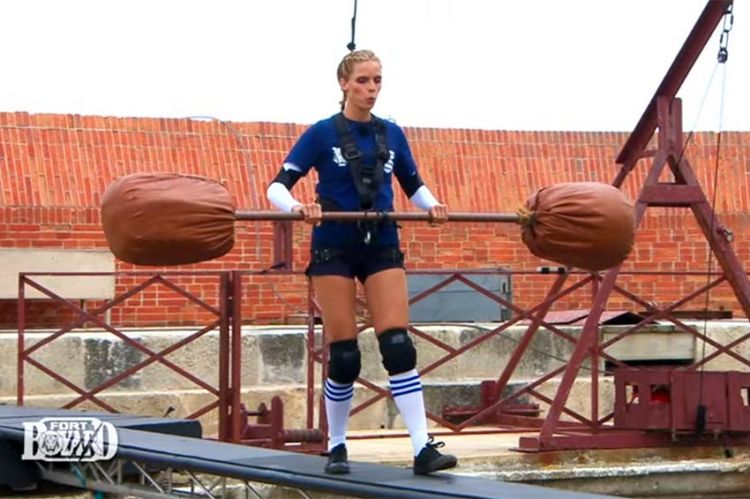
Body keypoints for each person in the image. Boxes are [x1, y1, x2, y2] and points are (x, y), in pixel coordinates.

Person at [266, 49, 457, 476]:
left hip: (381, 239)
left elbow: (413, 184)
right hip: (333, 241)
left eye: (377, 81)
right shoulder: (320, 133)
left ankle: (423, 447)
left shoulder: (392, 133)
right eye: (363, 81)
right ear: (344, 84)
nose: (371, 89)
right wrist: (299, 207)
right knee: (346, 355)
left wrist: (434, 205)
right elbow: (276, 187)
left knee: (397, 344)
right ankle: (336, 446)